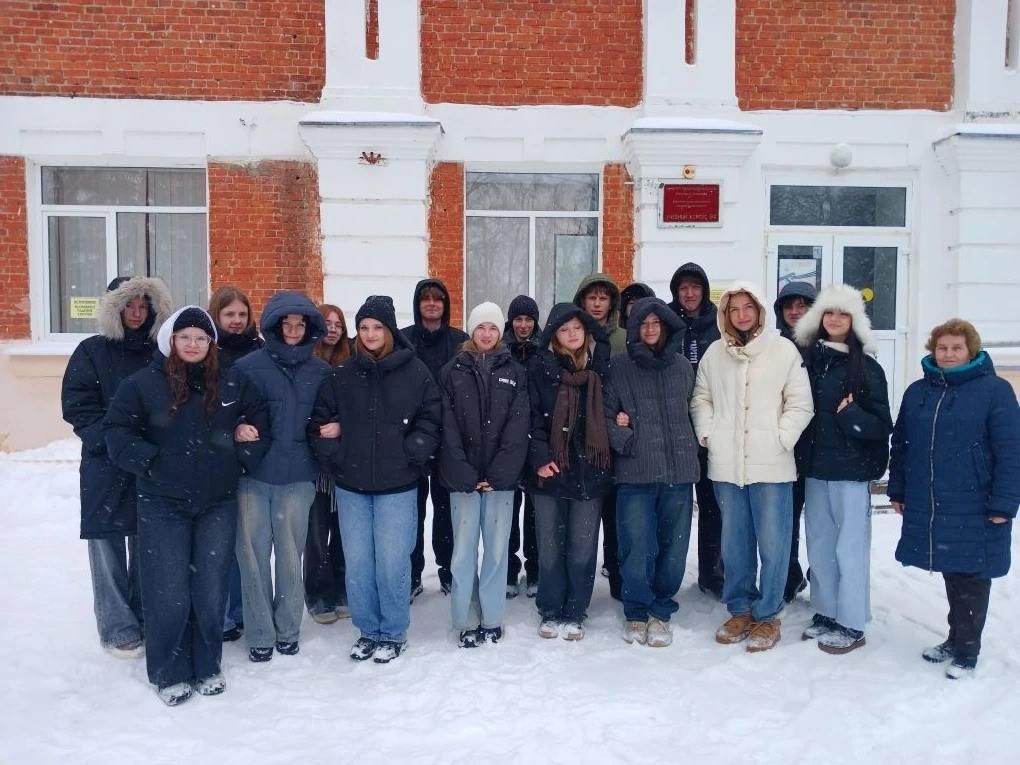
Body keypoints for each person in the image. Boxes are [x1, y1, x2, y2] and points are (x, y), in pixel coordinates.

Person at [103, 306, 269, 705]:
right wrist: (152, 463)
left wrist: (241, 457)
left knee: (210, 587)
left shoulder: (231, 382)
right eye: (185, 337)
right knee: (167, 588)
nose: (193, 344)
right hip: (162, 503)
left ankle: (208, 664)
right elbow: (117, 431)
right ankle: (169, 671)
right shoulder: (144, 383)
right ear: (171, 341)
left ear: (211, 343)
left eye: (200, 338)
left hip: (217, 501)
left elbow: (260, 421)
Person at [311, 295, 442, 663]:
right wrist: (337, 456)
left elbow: (431, 420)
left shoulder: (415, 372)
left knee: (392, 562)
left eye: (377, 327)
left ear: (390, 331)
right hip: (352, 486)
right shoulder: (342, 374)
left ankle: (394, 631)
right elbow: (320, 423)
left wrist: (412, 450)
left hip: (397, 486)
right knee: (358, 563)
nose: (369, 334)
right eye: (364, 327)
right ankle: (368, 629)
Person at [889, 319, 1020, 679]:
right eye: (942, 348)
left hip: (977, 501)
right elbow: (901, 445)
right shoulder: (918, 391)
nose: (948, 354)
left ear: (971, 351)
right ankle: (955, 638)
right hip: (934, 500)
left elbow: (1011, 451)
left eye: (956, 348)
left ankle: (967, 651)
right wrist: (898, 489)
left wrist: (1004, 502)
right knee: (951, 568)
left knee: (972, 575)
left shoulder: (995, 391)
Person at [691, 282, 813, 653]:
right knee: (735, 543)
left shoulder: (782, 350)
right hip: (727, 466)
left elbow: (800, 403)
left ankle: (768, 613)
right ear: (725, 314)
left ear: (759, 310)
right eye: (734, 309)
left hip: (771, 464)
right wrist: (709, 433)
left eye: (748, 307)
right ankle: (740, 608)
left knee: (774, 544)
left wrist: (781, 437)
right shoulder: (715, 353)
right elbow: (701, 398)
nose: (741, 315)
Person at [61, 275, 173, 659]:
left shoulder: (161, 352)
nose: (137, 313)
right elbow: (78, 405)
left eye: (143, 306)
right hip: (104, 464)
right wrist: (111, 443)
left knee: (147, 541)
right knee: (106, 542)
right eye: (129, 306)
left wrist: (152, 448)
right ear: (115, 308)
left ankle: (143, 615)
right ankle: (116, 626)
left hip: (148, 462)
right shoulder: (91, 351)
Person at [231, 292, 329, 662]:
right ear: (274, 326)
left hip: (298, 478)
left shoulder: (321, 372)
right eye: (286, 323)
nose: (293, 330)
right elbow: (228, 412)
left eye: (300, 324)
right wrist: (238, 428)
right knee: (252, 557)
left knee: (290, 556)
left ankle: (288, 629)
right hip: (253, 477)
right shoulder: (246, 367)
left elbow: (326, 418)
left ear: (309, 328)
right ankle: (260, 633)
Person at [793, 285, 891, 654]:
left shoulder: (866, 368)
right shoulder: (809, 362)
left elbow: (882, 424)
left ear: (854, 321)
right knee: (819, 544)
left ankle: (851, 622)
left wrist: (851, 417)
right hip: (816, 467)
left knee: (849, 549)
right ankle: (826, 610)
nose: (834, 319)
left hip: (850, 472)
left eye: (843, 313)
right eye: (829, 312)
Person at [605, 297, 700, 648]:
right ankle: (635, 610)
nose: (649, 329)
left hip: (679, 471)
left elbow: (696, 409)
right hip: (636, 472)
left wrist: (694, 445)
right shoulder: (619, 367)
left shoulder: (682, 367)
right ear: (634, 328)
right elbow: (605, 415)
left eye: (655, 323)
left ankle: (661, 609)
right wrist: (627, 440)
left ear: (666, 326)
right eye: (642, 324)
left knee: (674, 547)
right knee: (636, 546)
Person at [439, 302, 530, 647]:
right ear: (471, 330)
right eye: (481, 327)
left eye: (493, 328)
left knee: (495, 551)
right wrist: (462, 470)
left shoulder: (514, 372)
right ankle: (465, 618)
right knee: (463, 553)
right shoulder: (452, 371)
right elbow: (446, 426)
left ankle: (491, 618)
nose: (487, 334)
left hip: (499, 482)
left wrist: (500, 472)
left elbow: (518, 426)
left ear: (500, 332)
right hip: (462, 479)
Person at [527, 303, 613, 640]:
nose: (572, 334)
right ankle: (550, 609)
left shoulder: (599, 367)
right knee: (549, 545)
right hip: (550, 471)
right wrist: (539, 457)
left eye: (578, 327)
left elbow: (612, 409)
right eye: (564, 329)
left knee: (582, 546)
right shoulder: (540, 368)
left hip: (590, 470)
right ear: (553, 336)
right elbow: (531, 416)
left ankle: (576, 610)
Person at [401, 278, 468, 599]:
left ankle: (448, 571)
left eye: (437, 299)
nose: (431, 303)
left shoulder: (460, 342)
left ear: (445, 304)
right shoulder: (403, 340)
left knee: (446, 513)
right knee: (411, 513)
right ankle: (412, 573)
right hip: (410, 439)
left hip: (448, 440)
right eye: (425, 298)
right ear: (418, 304)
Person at [208, 285, 264, 643]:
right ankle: (225, 612)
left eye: (242, 314)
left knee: (249, 542)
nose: (236, 321)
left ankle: (245, 609)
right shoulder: (207, 352)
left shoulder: (260, 350)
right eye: (229, 314)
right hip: (215, 458)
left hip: (253, 458)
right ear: (216, 315)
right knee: (222, 543)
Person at [667, 263, 725, 600]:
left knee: (712, 504)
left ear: (703, 290)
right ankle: (666, 572)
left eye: (695, 287)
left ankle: (712, 572)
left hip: (710, 426)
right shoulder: (665, 321)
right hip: (673, 425)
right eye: (683, 288)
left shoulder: (718, 324)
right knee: (672, 506)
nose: (689, 294)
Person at [573, 273, 625, 600]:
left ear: (611, 303)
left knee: (616, 516)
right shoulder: (574, 333)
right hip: (583, 437)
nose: (596, 303)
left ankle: (618, 577)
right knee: (584, 518)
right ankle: (581, 585)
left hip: (615, 434)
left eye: (603, 298)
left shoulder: (623, 338)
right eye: (591, 297)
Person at [303, 304, 352, 625]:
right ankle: (319, 594)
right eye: (327, 323)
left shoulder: (352, 363)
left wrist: (343, 426)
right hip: (315, 465)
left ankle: (343, 590)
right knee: (317, 534)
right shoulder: (307, 363)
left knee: (345, 533)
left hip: (346, 463)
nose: (333, 329)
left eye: (338, 324)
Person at [774, 281, 817, 603]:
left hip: (822, 446)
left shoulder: (827, 345)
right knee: (784, 519)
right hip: (786, 446)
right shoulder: (775, 348)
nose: (795, 311)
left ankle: (823, 577)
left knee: (822, 522)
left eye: (802, 305)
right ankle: (789, 577)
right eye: (789, 306)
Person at [502, 294, 542, 598]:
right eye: (518, 319)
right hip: (507, 440)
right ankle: (509, 570)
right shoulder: (501, 350)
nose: (524, 325)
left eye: (529, 319)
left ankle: (536, 568)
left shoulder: (544, 349)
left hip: (537, 437)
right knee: (508, 510)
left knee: (536, 512)